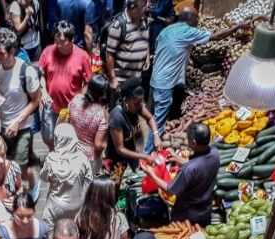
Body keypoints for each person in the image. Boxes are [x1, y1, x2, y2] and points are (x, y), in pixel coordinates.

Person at [149, 4, 247, 146]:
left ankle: (157, 146)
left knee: (156, 119)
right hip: (165, 83)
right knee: (158, 126)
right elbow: (216, 36)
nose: (198, 20)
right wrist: (237, 27)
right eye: (197, 17)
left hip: (157, 79)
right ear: (190, 19)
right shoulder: (187, 31)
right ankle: (150, 155)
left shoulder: (168, 29)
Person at [0, 28, 41, 186]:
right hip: (0, 127)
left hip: (22, 127)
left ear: (12, 51)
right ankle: (14, 188)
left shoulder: (26, 71)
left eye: (2, 53)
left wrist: (17, 122)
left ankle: (26, 188)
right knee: (4, 163)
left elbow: (36, 100)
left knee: (18, 166)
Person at [140, 122, 219, 226]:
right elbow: (199, 166)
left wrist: (151, 174)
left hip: (187, 216)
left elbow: (170, 191)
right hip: (205, 210)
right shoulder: (215, 153)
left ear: (194, 143)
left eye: (189, 139)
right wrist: (179, 159)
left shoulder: (188, 170)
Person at [40, 123, 93, 231]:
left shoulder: (51, 159)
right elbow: (89, 181)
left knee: (49, 233)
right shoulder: (82, 158)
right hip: (77, 206)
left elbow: (44, 177)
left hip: (55, 207)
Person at [39, 21, 92, 121]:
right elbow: (41, 74)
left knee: (70, 135)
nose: (58, 45)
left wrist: (80, 98)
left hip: (72, 109)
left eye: (62, 42)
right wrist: (44, 93)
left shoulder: (82, 56)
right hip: (51, 107)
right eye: (56, 40)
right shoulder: (47, 51)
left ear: (72, 39)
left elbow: (88, 82)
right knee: (49, 136)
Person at [106, 77, 161, 172]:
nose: (140, 105)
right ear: (126, 100)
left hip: (132, 154)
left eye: (141, 101)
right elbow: (120, 149)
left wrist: (156, 135)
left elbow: (150, 118)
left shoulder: (137, 105)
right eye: (136, 103)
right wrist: (144, 156)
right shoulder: (116, 117)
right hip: (117, 160)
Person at [67, 74, 111, 171]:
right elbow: (98, 145)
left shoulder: (76, 100)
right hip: (88, 160)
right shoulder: (101, 114)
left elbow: (68, 121)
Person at [103, 0, 150, 91]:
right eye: (142, 7)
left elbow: (145, 40)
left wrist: (147, 56)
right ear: (133, 8)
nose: (146, 9)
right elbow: (109, 54)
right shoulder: (119, 26)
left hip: (137, 78)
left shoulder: (145, 21)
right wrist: (113, 79)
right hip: (121, 81)